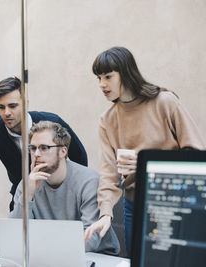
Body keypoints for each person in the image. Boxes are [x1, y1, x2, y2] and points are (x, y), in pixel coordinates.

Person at [84, 46, 206, 255]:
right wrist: (105, 214)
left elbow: (195, 153)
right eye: (98, 78)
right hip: (134, 204)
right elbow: (108, 174)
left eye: (108, 76)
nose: (102, 84)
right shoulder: (107, 120)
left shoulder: (165, 102)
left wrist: (146, 164)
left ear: (126, 73)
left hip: (173, 201)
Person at [10, 121, 120, 255]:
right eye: (33, 148)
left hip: (97, 256)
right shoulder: (27, 184)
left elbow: (90, 240)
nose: (36, 154)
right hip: (49, 257)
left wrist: (44, 249)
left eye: (44, 147)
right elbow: (15, 235)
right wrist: (28, 196)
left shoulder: (89, 181)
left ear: (63, 151)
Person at [0, 77, 88, 211]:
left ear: (26, 104)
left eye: (12, 106)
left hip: (57, 195)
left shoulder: (52, 122)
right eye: (1, 107)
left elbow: (80, 158)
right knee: (15, 228)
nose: (6, 112)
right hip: (22, 193)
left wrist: (72, 192)